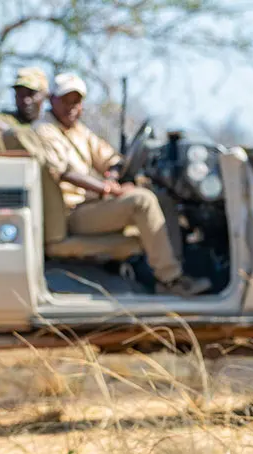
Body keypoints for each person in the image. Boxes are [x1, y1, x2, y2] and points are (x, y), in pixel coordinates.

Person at [33, 73, 210, 297]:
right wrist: (110, 189)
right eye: (65, 100)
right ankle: (170, 280)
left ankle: (175, 272)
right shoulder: (45, 131)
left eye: (76, 101)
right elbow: (65, 173)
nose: (71, 107)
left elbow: (112, 159)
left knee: (163, 200)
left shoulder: (79, 131)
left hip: (92, 205)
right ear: (52, 100)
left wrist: (113, 174)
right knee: (142, 201)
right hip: (72, 214)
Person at [0, 66, 48, 153]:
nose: (26, 100)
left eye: (32, 94)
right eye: (21, 94)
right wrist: (9, 131)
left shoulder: (51, 123)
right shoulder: (8, 119)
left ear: (44, 95)